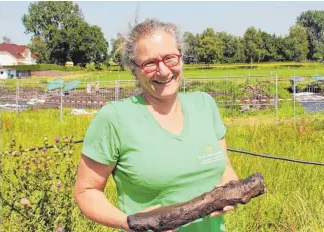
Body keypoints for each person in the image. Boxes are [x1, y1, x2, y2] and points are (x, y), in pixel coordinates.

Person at [75, 19, 239, 232]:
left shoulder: (205, 105)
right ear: (135, 70)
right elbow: (87, 191)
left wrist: (231, 192)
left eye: (170, 58)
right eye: (150, 63)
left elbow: (225, 168)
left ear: (181, 58)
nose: (163, 71)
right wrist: (130, 223)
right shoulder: (115, 118)